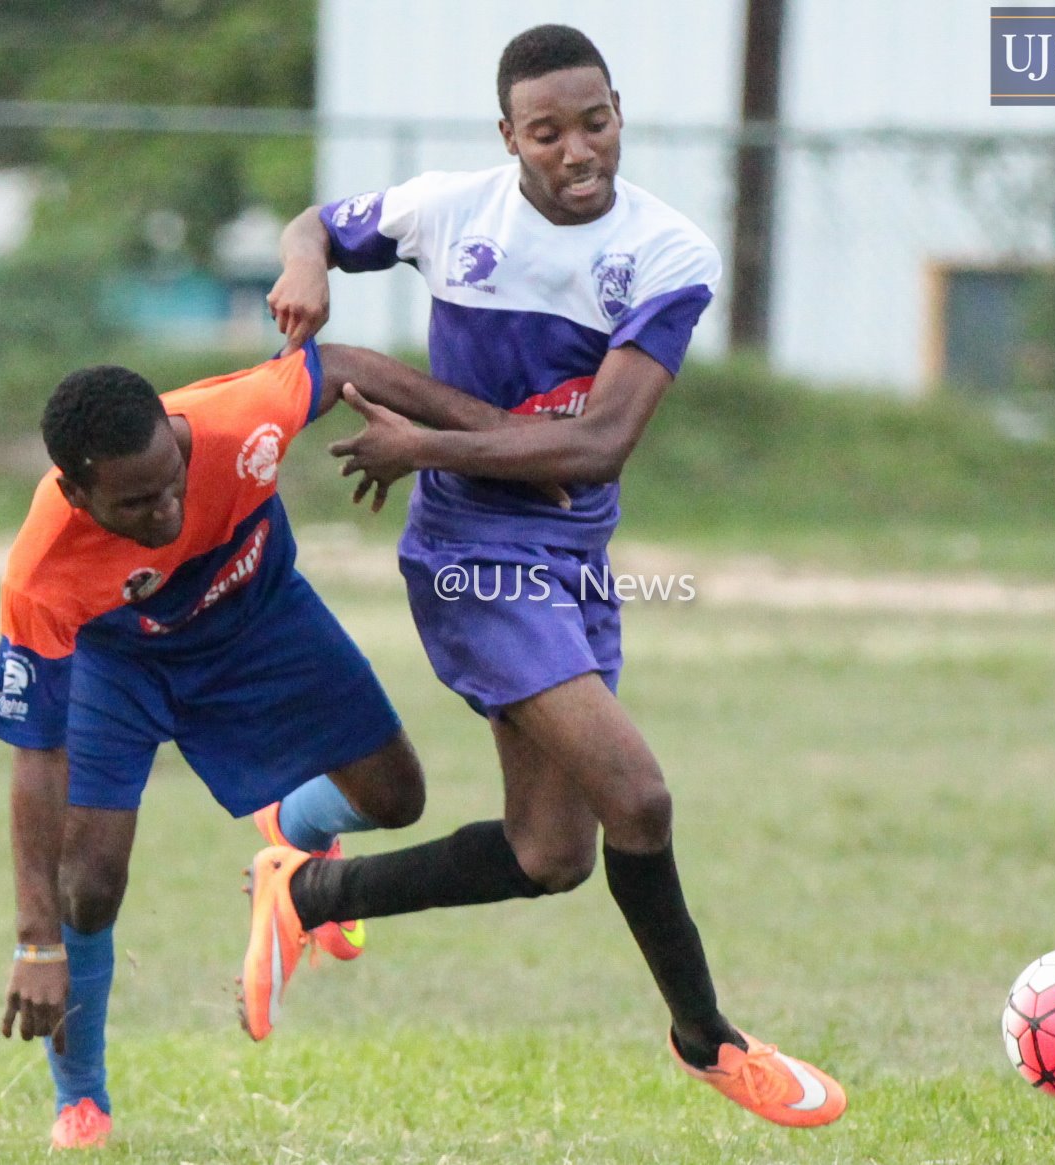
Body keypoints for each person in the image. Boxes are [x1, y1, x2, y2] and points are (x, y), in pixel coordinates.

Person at [243, 24, 847, 1129]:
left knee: (549, 852)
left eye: (595, 123)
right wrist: (303, 264)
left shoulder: (668, 254)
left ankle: (308, 889)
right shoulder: (449, 211)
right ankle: (709, 1040)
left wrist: (422, 443)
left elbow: (597, 447)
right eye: (547, 131)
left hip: (574, 559)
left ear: (619, 114)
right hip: (473, 558)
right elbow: (316, 224)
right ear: (508, 136)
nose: (578, 151)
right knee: (639, 796)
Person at [0, 340, 529, 1149]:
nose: (166, 510)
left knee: (397, 797)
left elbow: (346, 366)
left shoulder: (239, 419)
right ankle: (81, 1099)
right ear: (76, 492)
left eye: (173, 480)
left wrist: (504, 439)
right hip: (118, 663)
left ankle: (290, 836)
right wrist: (36, 941)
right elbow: (37, 752)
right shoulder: (43, 571)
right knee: (87, 884)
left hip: (260, 619)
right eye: (136, 503)